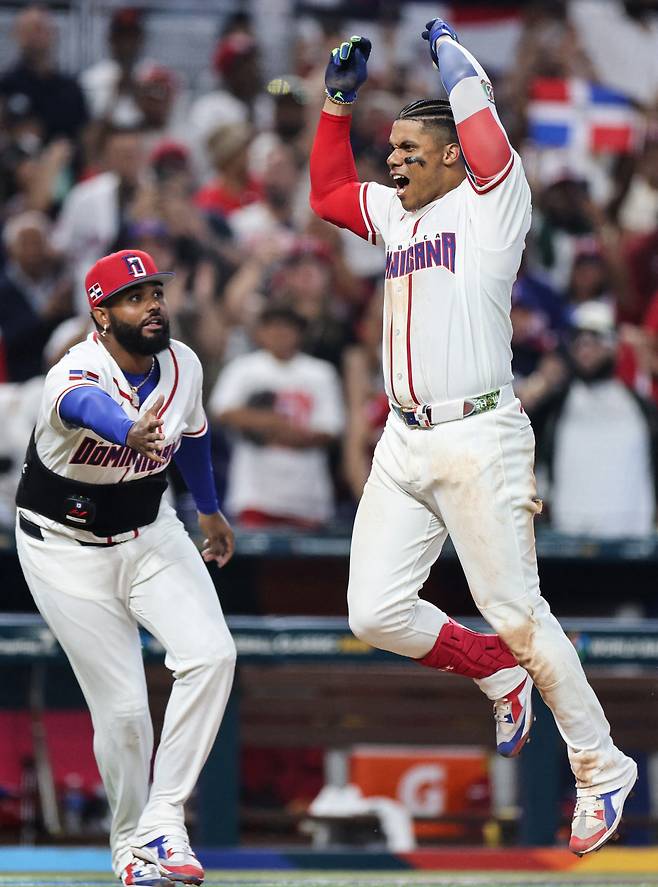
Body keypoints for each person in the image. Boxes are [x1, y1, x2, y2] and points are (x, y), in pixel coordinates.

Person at [309, 20, 637, 855]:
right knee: (374, 609)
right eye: (393, 149)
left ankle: (601, 765)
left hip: (480, 433)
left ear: (453, 155)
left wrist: (458, 63)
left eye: (412, 148)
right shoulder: (397, 215)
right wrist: (336, 105)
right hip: (404, 441)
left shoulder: (492, 203)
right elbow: (325, 194)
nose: (395, 160)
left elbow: (488, 141)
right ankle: (492, 669)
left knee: (520, 610)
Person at [15, 248, 236, 885]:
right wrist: (125, 428)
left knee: (212, 654)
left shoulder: (182, 363)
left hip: (149, 532)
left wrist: (210, 511)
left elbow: (192, 435)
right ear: (101, 314)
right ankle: (132, 852)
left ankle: (164, 821)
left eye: (156, 293)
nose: (154, 305)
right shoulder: (74, 369)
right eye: (135, 298)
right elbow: (83, 406)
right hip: (64, 548)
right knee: (125, 715)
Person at [209, 306, 344, 528]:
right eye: (272, 327)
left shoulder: (320, 373)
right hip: (255, 493)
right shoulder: (243, 368)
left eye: (287, 327)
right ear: (260, 332)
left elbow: (331, 429)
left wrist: (289, 435)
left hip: (307, 495)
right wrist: (273, 422)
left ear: (300, 333)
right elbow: (221, 411)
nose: (280, 333)